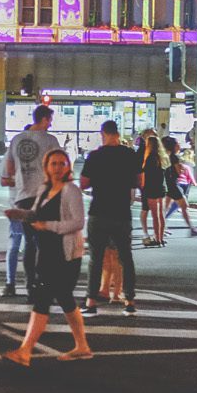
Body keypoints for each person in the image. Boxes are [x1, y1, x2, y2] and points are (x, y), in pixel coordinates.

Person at [2, 149, 93, 366]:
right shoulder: (44, 189)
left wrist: (49, 226)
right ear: (46, 166)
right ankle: (82, 346)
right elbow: (36, 214)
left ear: (68, 166)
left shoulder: (71, 191)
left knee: (43, 298)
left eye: (62, 163)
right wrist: (21, 215)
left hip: (65, 253)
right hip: (46, 251)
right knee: (64, 298)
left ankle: (25, 351)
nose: (58, 168)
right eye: (54, 164)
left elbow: (78, 222)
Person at [80, 120, 141, 316]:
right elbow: (140, 181)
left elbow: (83, 183)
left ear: (103, 134)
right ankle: (129, 301)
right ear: (117, 133)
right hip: (122, 212)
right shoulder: (130, 154)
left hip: (99, 211)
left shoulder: (95, 156)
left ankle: (91, 302)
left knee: (96, 259)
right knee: (126, 258)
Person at [1, 105, 61, 297]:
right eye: (49, 120)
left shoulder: (17, 139)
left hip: (23, 198)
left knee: (29, 242)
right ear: (44, 119)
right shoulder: (50, 140)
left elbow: (8, 170)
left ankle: (30, 285)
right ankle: (45, 282)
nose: (50, 124)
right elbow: (60, 167)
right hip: (45, 197)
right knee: (47, 243)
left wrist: (22, 173)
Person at [162, 136, 197, 235]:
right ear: (174, 146)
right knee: (184, 206)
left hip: (169, 184)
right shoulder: (175, 157)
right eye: (177, 144)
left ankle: (161, 228)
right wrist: (181, 169)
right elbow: (178, 172)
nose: (179, 146)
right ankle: (192, 229)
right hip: (174, 185)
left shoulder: (167, 156)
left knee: (166, 208)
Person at [139, 133, 169, 247]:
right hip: (161, 187)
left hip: (151, 188)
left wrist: (143, 187)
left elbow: (145, 176)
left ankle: (157, 239)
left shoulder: (149, 158)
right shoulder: (162, 158)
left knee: (155, 215)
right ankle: (160, 238)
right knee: (161, 214)